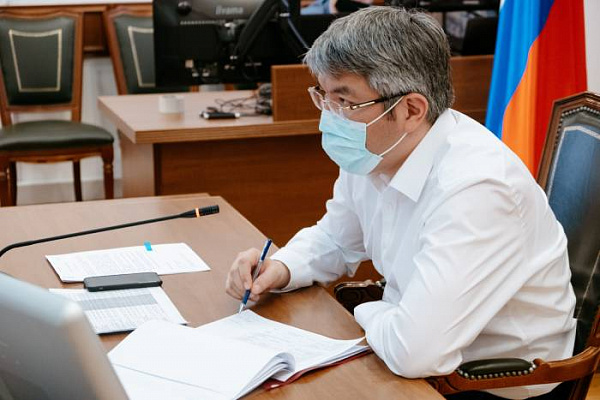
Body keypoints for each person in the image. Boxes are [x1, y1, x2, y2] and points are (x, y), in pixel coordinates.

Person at [226, 7, 575, 399]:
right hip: (415, 357)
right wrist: (281, 267)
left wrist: (367, 309)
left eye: (344, 101)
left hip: (498, 383)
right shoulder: (377, 152)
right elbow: (337, 238)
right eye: (323, 96)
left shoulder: (476, 189)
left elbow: (415, 352)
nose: (329, 118)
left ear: (410, 110)